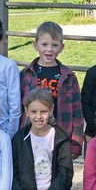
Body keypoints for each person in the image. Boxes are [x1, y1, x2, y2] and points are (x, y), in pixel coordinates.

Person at [19, 21, 83, 159]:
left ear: (62, 47)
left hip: (59, 137)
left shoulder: (68, 77)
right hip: (31, 136)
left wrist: (76, 143)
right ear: (35, 45)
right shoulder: (26, 75)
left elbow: (77, 112)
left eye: (55, 45)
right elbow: (18, 108)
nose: (49, 49)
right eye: (44, 44)